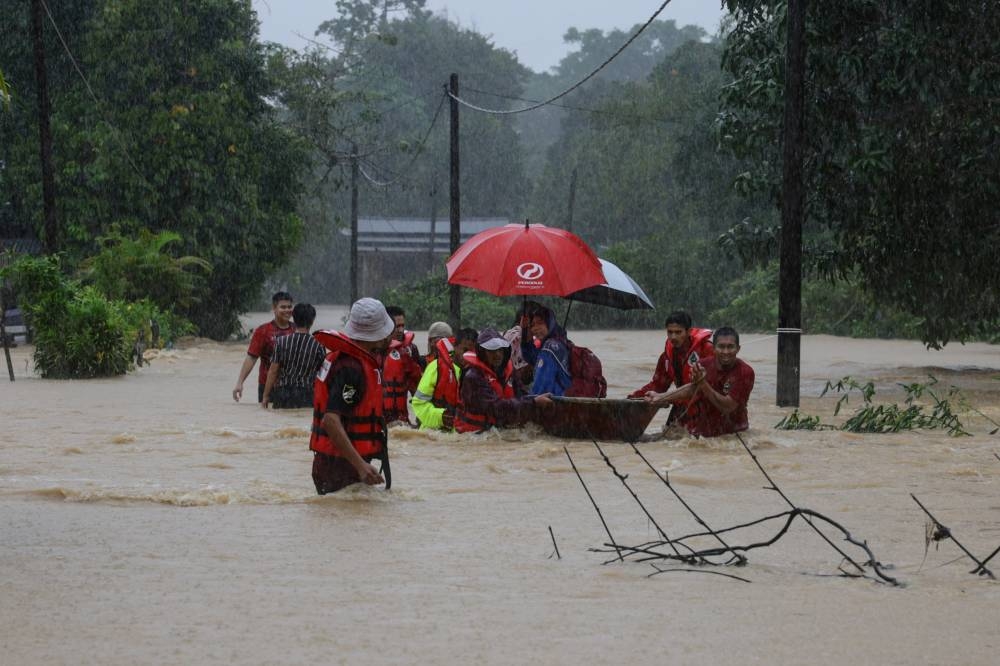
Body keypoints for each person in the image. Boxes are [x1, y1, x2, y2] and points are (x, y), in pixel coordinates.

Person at [310, 297, 396, 494]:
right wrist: (360, 466)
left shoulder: (347, 359)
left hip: (338, 464)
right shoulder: (352, 369)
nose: (390, 336)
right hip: (339, 468)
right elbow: (330, 421)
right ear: (378, 335)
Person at [644, 327, 754, 438]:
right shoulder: (702, 365)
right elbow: (692, 389)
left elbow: (727, 407)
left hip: (733, 435)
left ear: (738, 349)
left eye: (730, 347)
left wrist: (703, 384)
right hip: (703, 433)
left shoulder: (745, 372)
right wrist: (660, 397)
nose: (725, 352)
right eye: (721, 347)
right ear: (714, 348)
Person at [455, 328, 552, 433]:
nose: (497, 354)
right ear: (482, 352)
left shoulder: (508, 371)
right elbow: (496, 408)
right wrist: (533, 403)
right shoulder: (473, 377)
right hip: (475, 435)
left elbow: (522, 395)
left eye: (500, 349)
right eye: (492, 350)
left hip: (499, 431)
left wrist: (537, 402)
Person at [629, 310, 715, 426]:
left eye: (678, 332)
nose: (673, 337)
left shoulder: (706, 350)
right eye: (670, 332)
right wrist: (633, 398)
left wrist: (663, 398)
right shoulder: (666, 357)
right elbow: (658, 385)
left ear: (689, 331)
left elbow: (703, 387)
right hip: (681, 407)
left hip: (706, 408)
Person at [261, 303, 326, 409]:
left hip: (283, 393)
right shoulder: (319, 344)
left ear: (294, 319)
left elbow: (273, 371)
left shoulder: (281, 341)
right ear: (312, 321)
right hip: (307, 394)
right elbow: (323, 374)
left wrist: (265, 396)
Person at [233, 291, 294, 403]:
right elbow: (251, 358)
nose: (287, 310)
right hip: (267, 385)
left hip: (292, 386)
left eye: (289, 307)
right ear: (274, 308)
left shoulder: (297, 330)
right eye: (283, 307)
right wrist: (240, 383)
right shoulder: (263, 331)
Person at [411, 327, 477, 430]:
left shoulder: (478, 374)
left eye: (472, 353)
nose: (468, 355)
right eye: (465, 350)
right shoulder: (435, 368)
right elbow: (418, 404)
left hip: (463, 438)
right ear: (455, 347)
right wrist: (440, 417)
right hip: (433, 436)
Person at [520, 305, 571, 396]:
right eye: (532, 325)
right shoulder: (558, 341)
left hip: (556, 402)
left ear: (550, 323)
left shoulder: (551, 347)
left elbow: (541, 388)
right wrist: (524, 332)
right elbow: (532, 358)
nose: (535, 328)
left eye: (540, 323)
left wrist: (528, 403)